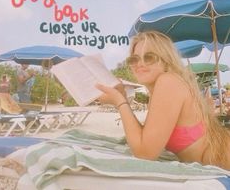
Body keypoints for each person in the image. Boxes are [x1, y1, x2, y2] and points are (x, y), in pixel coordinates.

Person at [96, 30, 230, 170]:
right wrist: (123, 99)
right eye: (134, 59)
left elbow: (145, 153)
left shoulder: (168, 81)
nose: (139, 63)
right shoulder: (166, 86)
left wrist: (120, 102)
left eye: (149, 57)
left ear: (166, 61)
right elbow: (147, 138)